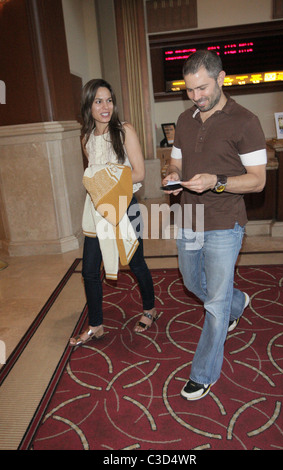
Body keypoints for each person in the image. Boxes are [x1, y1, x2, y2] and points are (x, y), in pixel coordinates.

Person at [162, 50, 267, 400]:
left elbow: (257, 181)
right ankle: (238, 303)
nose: (197, 97)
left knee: (215, 303)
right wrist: (173, 176)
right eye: (190, 90)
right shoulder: (185, 117)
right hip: (189, 217)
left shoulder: (246, 121)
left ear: (221, 78)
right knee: (193, 282)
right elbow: (175, 162)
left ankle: (203, 372)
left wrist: (216, 181)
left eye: (203, 88)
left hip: (225, 220)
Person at [70, 79, 156, 346]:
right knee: (89, 271)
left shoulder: (124, 130)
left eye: (108, 100)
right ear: (89, 106)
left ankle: (150, 309)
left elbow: (140, 173)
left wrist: (109, 182)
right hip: (97, 209)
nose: (105, 106)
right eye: (98, 101)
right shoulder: (85, 138)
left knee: (135, 262)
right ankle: (96, 325)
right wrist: (99, 187)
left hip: (126, 205)